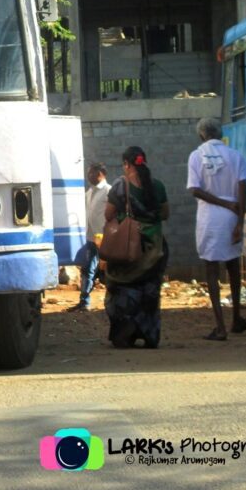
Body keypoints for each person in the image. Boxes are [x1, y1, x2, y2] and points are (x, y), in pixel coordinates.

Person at [187, 117, 246, 341]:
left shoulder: (196, 156)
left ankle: (220, 327)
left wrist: (223, 204)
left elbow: (195, 190)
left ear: (202, 135)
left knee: (211, 270)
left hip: (209, 216)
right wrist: (240, 220)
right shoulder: (236, 155)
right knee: (233, 267)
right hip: (232, 214)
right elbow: (243, 188)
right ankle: (236, 318)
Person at [103, 146, 170, 348]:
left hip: (129, 248)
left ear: (126, 164)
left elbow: (108, 214)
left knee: (122, 290)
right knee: (150, 292)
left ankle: (125, 334)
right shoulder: (157, 186)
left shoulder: (120, 186)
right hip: (155, 249)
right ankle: (149, 335)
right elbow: (165, 214)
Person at [69, 163, 110, 312]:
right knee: (87, 269)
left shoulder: (108, 191)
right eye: (89, 173)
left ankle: (112, 302)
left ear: (103, 173)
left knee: (110, 270)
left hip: (105, 238)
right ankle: (84, 302)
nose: (90, 176)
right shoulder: (89, 193)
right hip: (91, 238)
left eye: (94, 173)